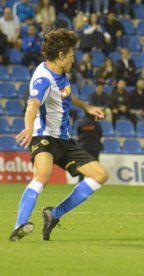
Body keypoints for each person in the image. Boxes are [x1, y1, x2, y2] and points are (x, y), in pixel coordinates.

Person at [9, 29, 109, 242]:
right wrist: (28, 128)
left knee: (100, 175)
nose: (75, 58)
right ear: (61, 55)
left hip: (64, 139)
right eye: (72, 54)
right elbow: (32, 104)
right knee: (42, 176)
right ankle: (19, 225)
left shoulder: (61, 74)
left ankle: (54, 214)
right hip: (44, 137)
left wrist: (87, 107)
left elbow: (66, 95)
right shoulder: (43, 79)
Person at [76, 114, 103, 181]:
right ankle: (94, 180)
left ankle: (80, 179)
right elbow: (100, 134)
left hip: (83, 146)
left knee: (82, 163)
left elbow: (78, 133)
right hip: (94, 146)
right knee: (95, 163)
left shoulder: (81, 123)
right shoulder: (96, 123)